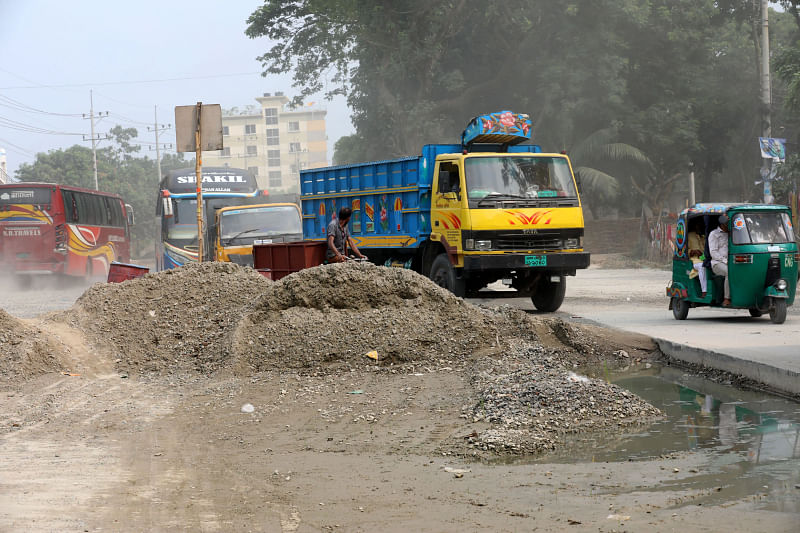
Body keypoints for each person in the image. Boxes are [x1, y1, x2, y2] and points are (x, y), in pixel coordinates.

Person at [708, 214, 730, 306]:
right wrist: (725, 261)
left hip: (730, 262)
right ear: (723, 224)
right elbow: (713, 253)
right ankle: (726, 298)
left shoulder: (732, 234)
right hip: (717, 263)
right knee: (730, 272)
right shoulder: (714, 234)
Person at [687, 221, 707, 298]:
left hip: (704, 258)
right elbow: (684, 250)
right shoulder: (689, 236)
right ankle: (704, 291)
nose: (700, 227)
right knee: (702, 266)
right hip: (694, 260)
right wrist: (693, 251)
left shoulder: (704, 237)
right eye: (698, 225)